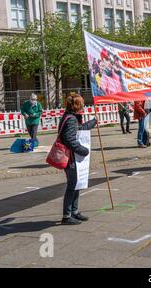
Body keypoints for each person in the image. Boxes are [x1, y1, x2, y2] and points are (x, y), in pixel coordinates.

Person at [59, 93, 97, 225]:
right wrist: (83, 150)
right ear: (76, 106)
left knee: (77, 184)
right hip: (70, 158)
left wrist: (92, 122)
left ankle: (74, 212)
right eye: (82, 104)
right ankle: (66, 215)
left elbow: (79, 129)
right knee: (72, 184)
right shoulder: (71, 119)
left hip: (73, 157)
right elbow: (69, 139)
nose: (84, 106)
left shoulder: (71, 117)